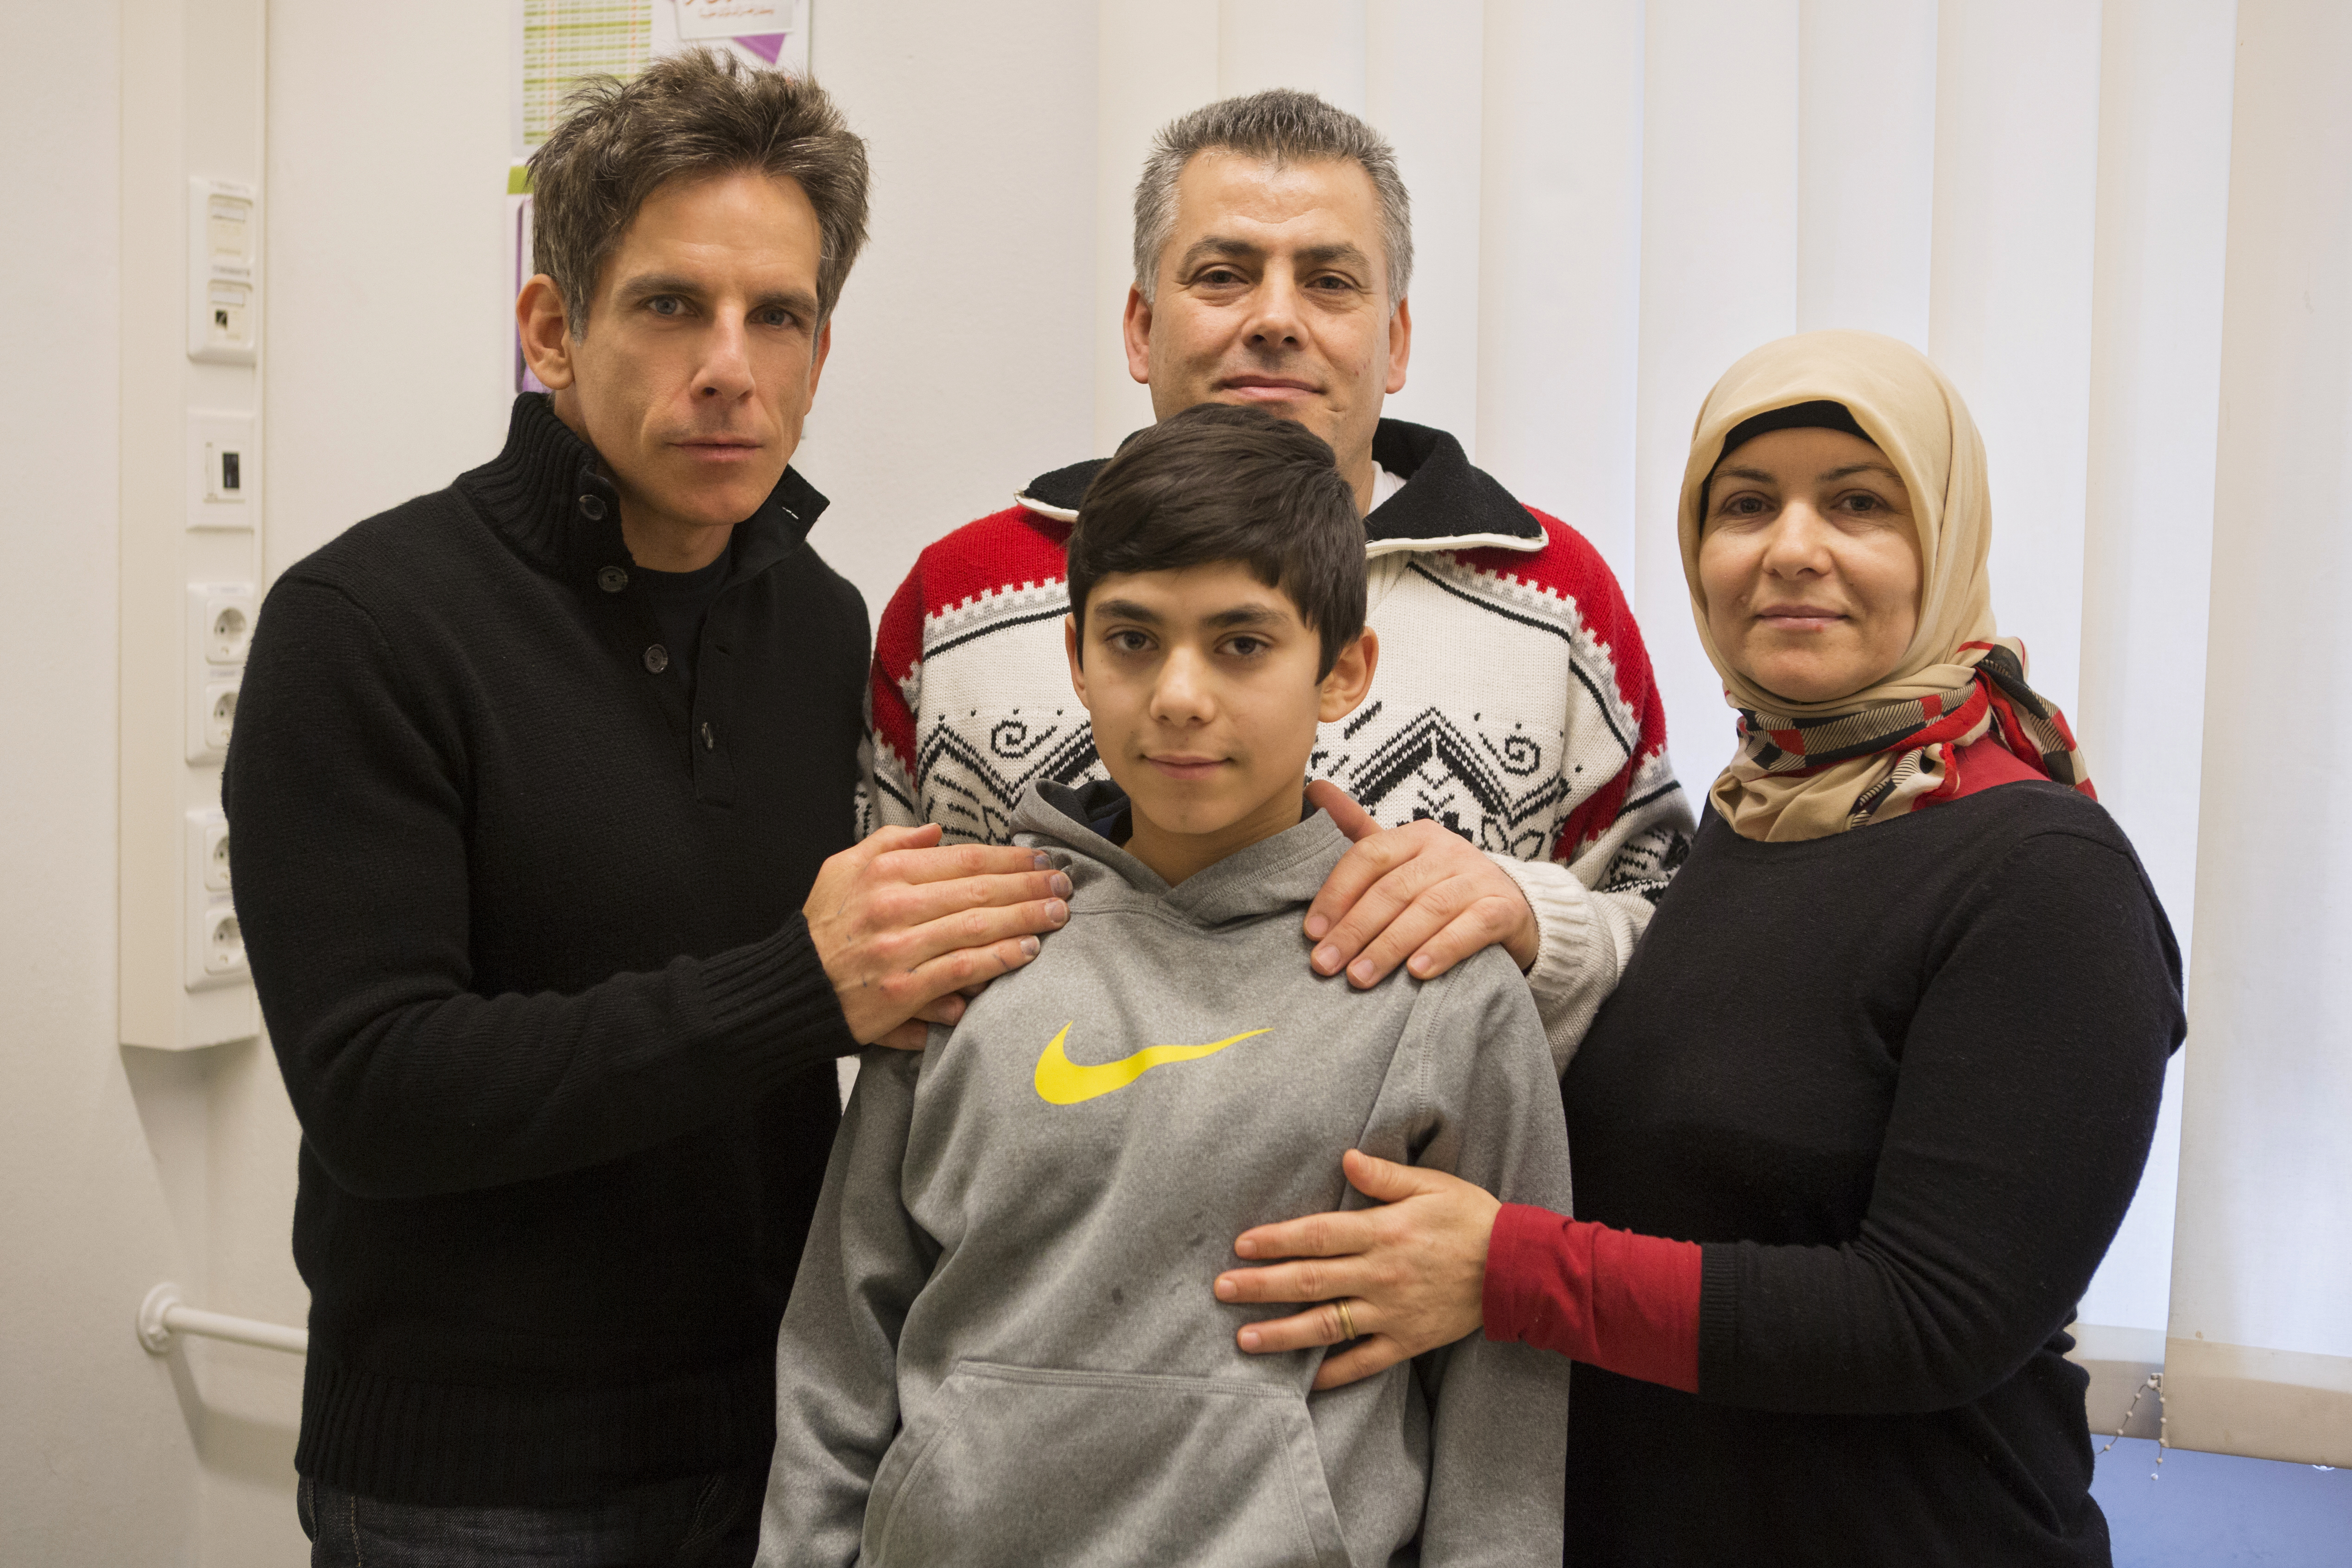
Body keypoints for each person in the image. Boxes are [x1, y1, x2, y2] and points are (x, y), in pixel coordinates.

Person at [224, 53, 1068, 1565]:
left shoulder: (820, 620)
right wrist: (800, 984)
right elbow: (379, 1089)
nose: (731, 366)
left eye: (778, 315)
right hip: (473, 1487)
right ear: (553, 326)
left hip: (779, 1445)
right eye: (672, 304)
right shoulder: (365, 623)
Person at [1212, 330, 2184, 1565]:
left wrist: (1507, 1269)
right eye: (1744, 506)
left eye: (1857, 504)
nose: (1790, 549)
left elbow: (1929, 1316)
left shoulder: (2042, 878)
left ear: (1941, 541)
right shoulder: (1754, 818)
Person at [759, 404, 1575, 1565]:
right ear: (1078, 657)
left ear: (1343, 670)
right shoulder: (972, 943)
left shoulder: (1439, 988)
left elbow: (1504, 1413)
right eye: (1134, 640)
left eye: (1242, 644)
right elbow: (843, 1343)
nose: (1180, 695)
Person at [863, 89, 1691, 1073]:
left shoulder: (1560, 600)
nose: (1275, 320)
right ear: (1140, 326)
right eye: (1223, 275)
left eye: (1331, 283)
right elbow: (875, 969)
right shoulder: (959, 595)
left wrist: (1531, 921)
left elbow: (1680, 953)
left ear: (1398, 339)